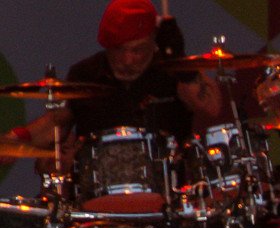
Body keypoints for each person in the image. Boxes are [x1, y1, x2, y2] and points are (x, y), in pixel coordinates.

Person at [3, 0, 220, 173]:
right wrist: (17, 139)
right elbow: (57, 122)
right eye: (118, 49)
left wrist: (181, 62)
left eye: (137, 50)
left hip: (169, 194)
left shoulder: (174, 71)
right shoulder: (86, 74)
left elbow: (212, 107)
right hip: (97, 199)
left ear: (154, 40)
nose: (127, 60)